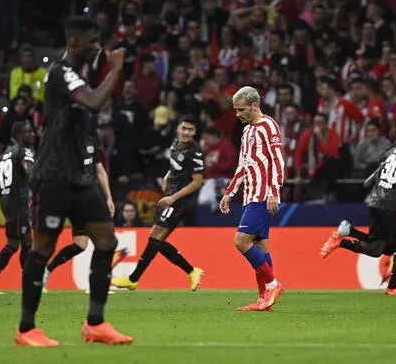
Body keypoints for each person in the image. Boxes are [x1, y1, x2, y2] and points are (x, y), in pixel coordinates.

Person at [15, 16, 132, 346]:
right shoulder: (60, 72)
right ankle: (26, 329)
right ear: (74, 41)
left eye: (99, 40)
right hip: (53, 175)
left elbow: (91, 99)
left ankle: (95, 323)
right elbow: (94, 102)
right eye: (91, 40)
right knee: (43, 247)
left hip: (79, 178)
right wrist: (116, 71)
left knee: (106, 241)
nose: (96, 46)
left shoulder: (76, 76)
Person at [319, 127, 396, 296]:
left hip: (375, 201)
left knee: (377, 249)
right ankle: (394, 286)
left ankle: (343, 238)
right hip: (391, 206)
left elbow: (388, 169)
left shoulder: (395, 149)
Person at [111, 115, 205, 291]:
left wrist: (173, 198)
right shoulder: (175, 144)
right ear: (178, 128)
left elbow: (197, 182)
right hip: (172, 196)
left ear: (195, 132)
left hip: (182, 201)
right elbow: (174, 165)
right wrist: (168, 176)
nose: (186, 132)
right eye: (183, 128)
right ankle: (192, 271)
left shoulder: (195, 152)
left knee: (156, 237)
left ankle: (133, 278)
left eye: (190, 130)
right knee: (156, 241)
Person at [219, 86, 285, 312]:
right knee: (260, 246)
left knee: (241, 242)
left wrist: (274, 191)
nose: (237, 114)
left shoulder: (268, 126)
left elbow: (278, 160)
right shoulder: (247, 131)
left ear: (255, 106)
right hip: (250, 195)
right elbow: (243, 166)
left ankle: (273, 286)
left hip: (263, 195)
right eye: (236, 110)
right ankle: (263, 299)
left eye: (241, 109)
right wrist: (229, 192)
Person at [42, 135, 120, 293]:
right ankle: (96, 284)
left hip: (93, 197)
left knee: (80, 245)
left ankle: (47, 269)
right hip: (76, 198)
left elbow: (100, 172)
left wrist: (109, 198)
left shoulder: (91, 141)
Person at [0, 121, 35, 295]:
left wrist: (5, 196)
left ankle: (28, 284)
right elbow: (30, 172)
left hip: (8, 202)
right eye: (28, 132)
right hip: (18, 203)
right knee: (14, 243)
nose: (32, 134)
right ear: (19, 136)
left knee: (26, 242)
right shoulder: (24, 151)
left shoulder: (4, 155)